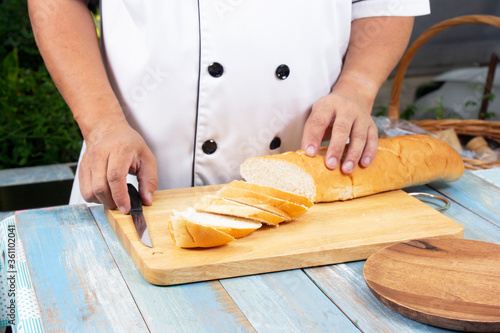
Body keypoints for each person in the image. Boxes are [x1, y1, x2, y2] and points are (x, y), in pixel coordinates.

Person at [28, 0, 430, 214]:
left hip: (310, 189)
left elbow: (386, 3)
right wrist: (101, 123)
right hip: (137, 184)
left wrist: (357, 86)